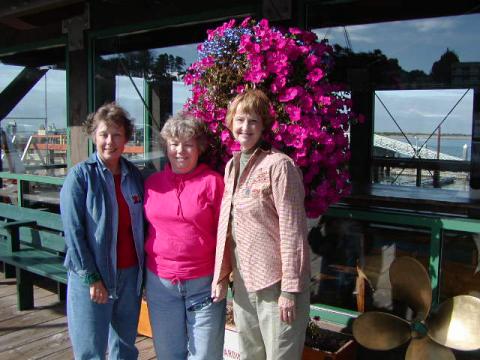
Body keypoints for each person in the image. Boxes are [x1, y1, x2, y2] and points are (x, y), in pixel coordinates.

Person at [212, 89, 311, 360]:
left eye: (253, 121)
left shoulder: (279, 166)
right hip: (243, 282)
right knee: (250, 355)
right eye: (240, 119)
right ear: (231, 123)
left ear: (264, 126)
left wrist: (290, 290)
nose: (245, 127)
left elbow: (294, 231)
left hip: (276, 284)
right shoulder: (232, 166)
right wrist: (222, 275)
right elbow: (228, 226)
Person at [60, 103, 144, 360]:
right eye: (104, 134)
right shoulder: (80, 177)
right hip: (93, 275)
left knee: (125, 346)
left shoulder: (134, 175)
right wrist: (91, 278)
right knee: (90, 351)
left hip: (130, 274)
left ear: (126, 138)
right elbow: (74, 233)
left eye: (117, 134)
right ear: (93, 136)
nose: (110, 141)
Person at [144, 112, 226, 360]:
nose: (180, 151)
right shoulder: (152, 183)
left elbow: (227, 235)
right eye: (174, 143)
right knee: (169, 354)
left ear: (199, 148)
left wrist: (224, 276)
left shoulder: (214, 183)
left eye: (188, 144)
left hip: (203, 284)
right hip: (161, 284)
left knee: (204, 355)